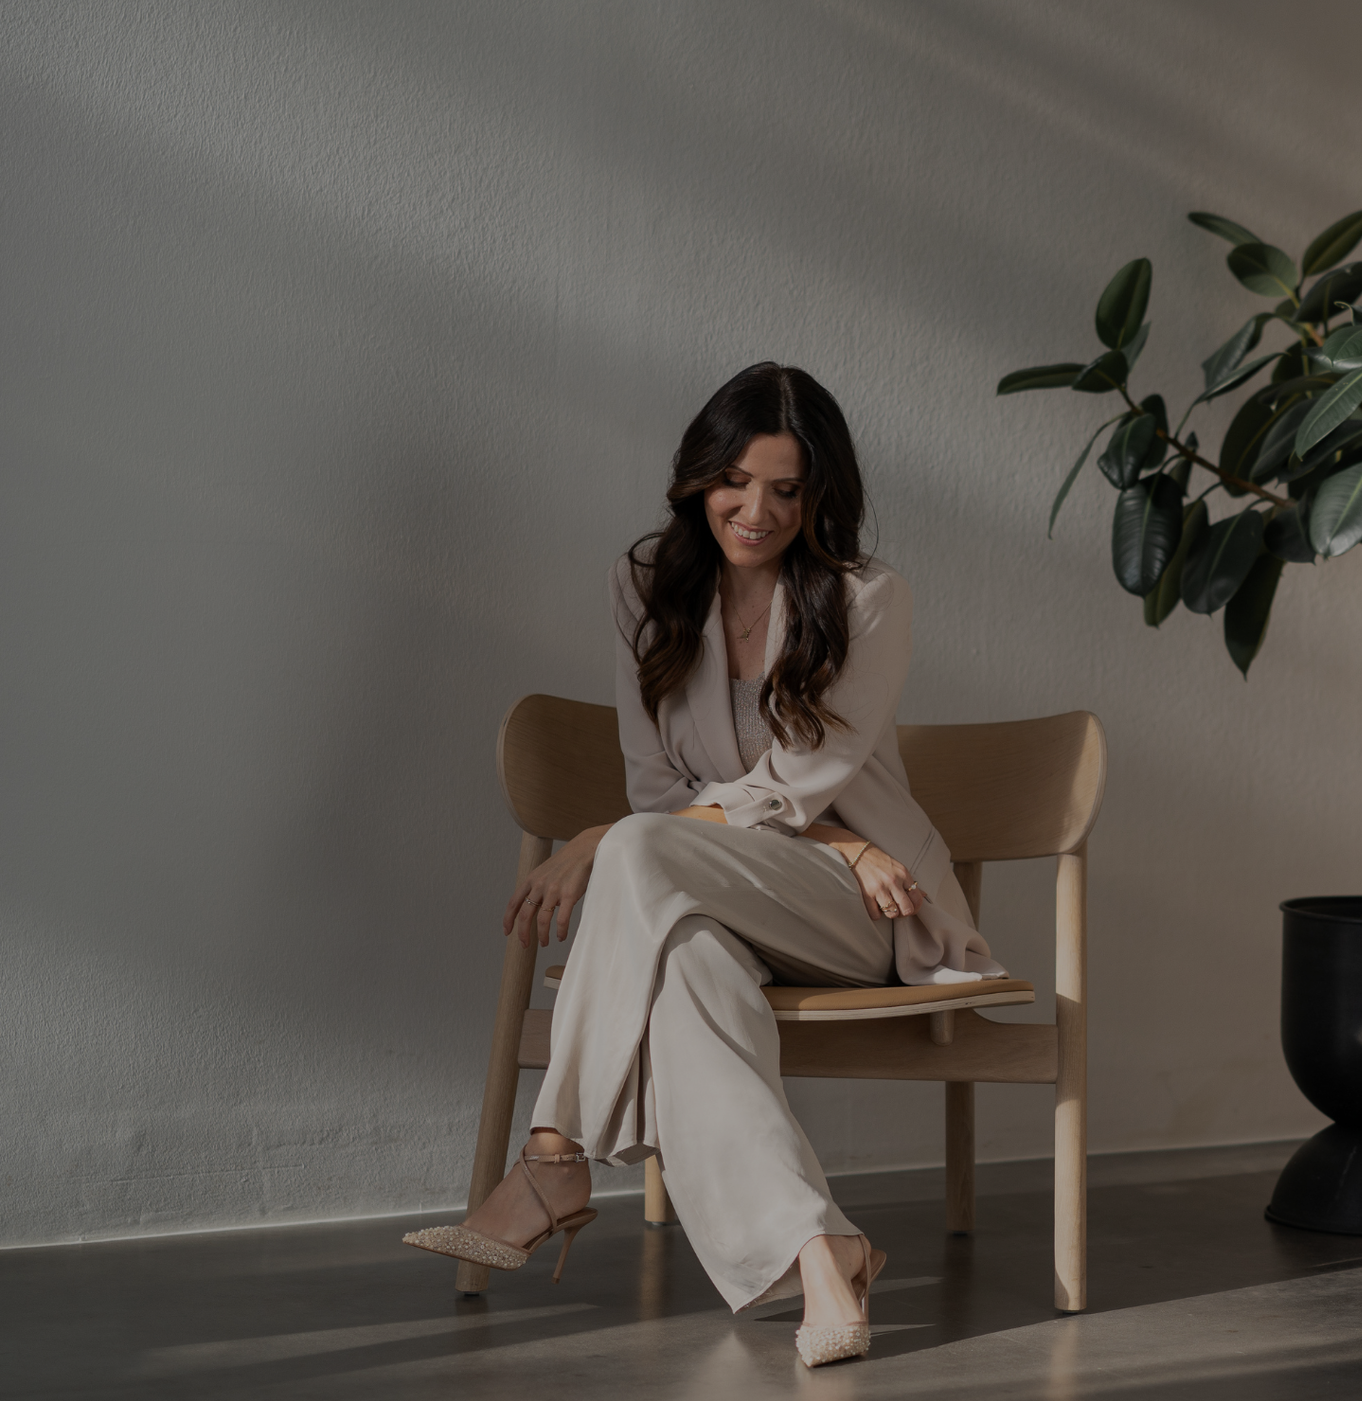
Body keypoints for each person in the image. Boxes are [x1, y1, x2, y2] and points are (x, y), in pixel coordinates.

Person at [402, 361, 1006, 1367]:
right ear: (696, 478)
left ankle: (553, 1156)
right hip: (716, 886)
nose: (755, 510)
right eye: (735, 481)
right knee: (682, 965)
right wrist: (653, 832)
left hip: (861, 908)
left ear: (821, 498)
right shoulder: (643, 586)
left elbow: (788, 784)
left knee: (637, 851)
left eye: (786, 489)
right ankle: (824, 1254)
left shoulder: (867, 601)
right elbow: (654, 789)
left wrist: (606, 838)